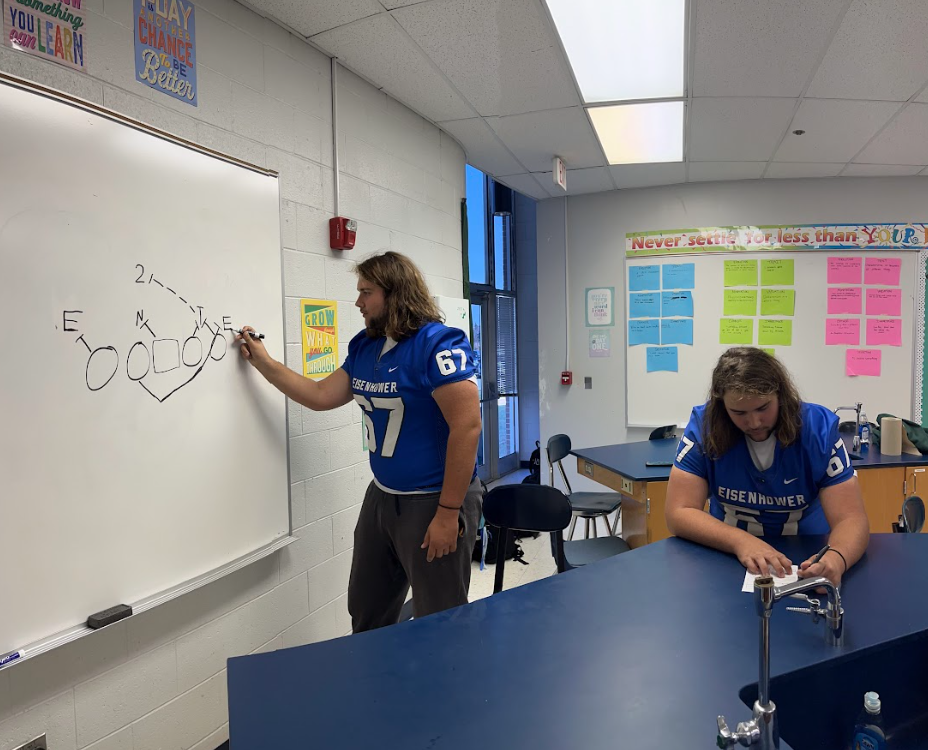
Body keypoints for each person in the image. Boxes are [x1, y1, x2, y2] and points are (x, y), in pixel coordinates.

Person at [238, 251, 482, 632]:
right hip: (382, 497)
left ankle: (445, 690)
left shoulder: (437, 343)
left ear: (395, 293)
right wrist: (264, 362)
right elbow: (320, 395)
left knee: (440, 620)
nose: (358, 302)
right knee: (367, 610)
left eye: (366, 292)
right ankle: (380, 689)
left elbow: (467, 428)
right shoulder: (366, 346)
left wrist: (449, 513)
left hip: (434, 500)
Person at [665, 347, 869, 587]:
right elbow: (678, 511)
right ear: (721, 404)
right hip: (726, 556)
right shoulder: (704, 427)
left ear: (780, 395)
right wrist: (740, 541)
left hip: (806, 555)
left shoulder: (817, 430)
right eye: (738, 412)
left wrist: (836, 559)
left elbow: (851, 518)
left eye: (763, 408)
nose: (753, 422)